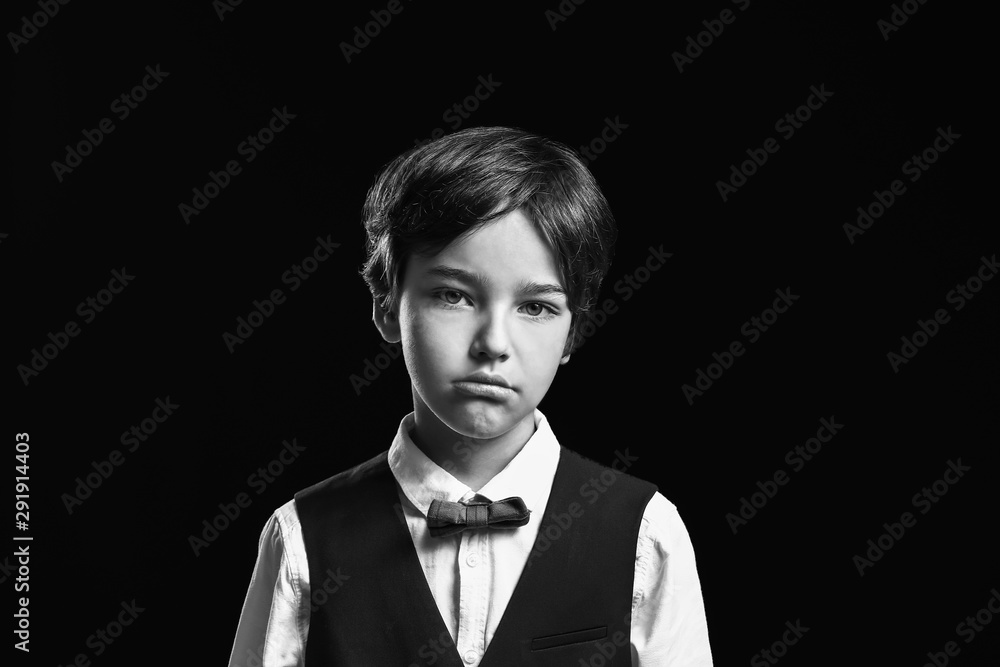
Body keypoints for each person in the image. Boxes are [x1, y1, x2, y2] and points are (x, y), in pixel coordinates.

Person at [228, 126, 713, 666]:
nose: (493, 345)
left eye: (536, 307)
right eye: (454, 296)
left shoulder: (646, 533)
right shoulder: (303, 537)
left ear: (572, 333)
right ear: (387, 305)